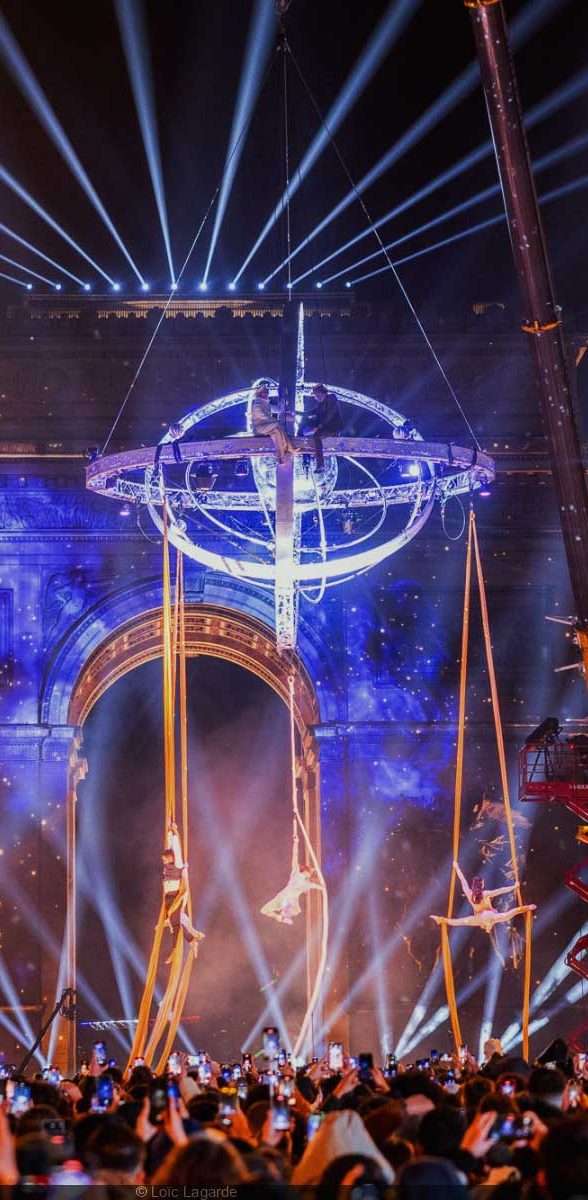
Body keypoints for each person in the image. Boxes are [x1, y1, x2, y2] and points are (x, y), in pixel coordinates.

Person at [431, 861, 536, 933]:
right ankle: (527, 908)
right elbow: (501, 890)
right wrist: (514, 886)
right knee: (508, 915)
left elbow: (463, 881)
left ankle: (440, 919)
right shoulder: (486, 894)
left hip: (481, 918)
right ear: (481, 885)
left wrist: (457, 868)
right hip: (488, 917)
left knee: (458, 922)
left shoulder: (469, 893)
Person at [162, 821, 204, 960]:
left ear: (171, 858)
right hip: (168, 896)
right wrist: (169, 833)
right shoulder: (167, 863)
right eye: (164, 859)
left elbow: (176, 849)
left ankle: (185, 944)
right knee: (176, 919)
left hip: (176, 895)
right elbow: (169, 847)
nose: (165, 861)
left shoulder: (177, 862)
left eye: (167, 859)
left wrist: (176, 832)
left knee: (176, 921)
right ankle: (193, 937)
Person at [250, 379, 297, 464]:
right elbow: (265, 418)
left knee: (276, 432)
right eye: (265, 392)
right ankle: (289, 448)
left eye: (267, 392)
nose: (267, 394)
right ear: (259, 393)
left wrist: (283, 399)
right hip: (259, 428)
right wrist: (280, 420)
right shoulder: (257, 405)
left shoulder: (265, 404)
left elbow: (278, 409)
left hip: (266, 427)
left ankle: (281, 455)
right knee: (277, 425)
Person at [302, 383, 341, 472]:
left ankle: (321, 465)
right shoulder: (321, 403)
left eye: (315, 395)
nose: (315, 397)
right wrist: (302, 413)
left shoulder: (332, 398)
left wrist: (319, 427)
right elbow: (315, 411)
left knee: (317, 436)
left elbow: (330, 415)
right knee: (308, 432)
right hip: (325, 427)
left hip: (333, 428)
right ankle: (311, 459)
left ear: (319, 392)